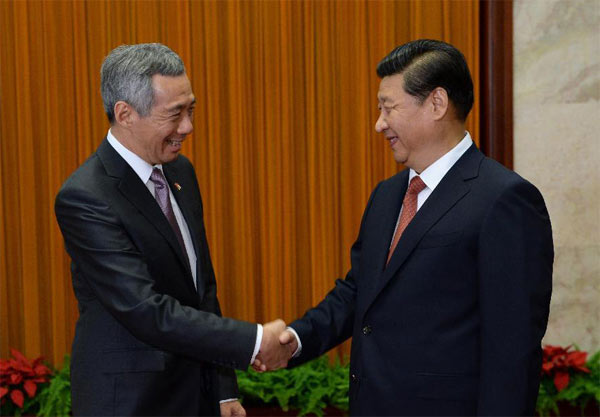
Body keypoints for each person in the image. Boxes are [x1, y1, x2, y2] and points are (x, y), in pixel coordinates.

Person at [270, 39, 554, 415]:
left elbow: (512, 351)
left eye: (388, 108)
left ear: (437, 103)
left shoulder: (504, 200)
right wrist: (297, 338)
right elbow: (360, 293)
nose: (379, 123)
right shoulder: (387, 196)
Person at [55, 43, 291, 416]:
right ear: (125, 114)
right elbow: (145, 309)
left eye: (191, 109)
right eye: (175, 114)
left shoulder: (180, 173)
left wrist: (223, 389)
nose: (188, 127)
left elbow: (201, 288)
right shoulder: (85, 197)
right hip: (130, 402)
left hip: (194, 396)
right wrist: (255, 340)